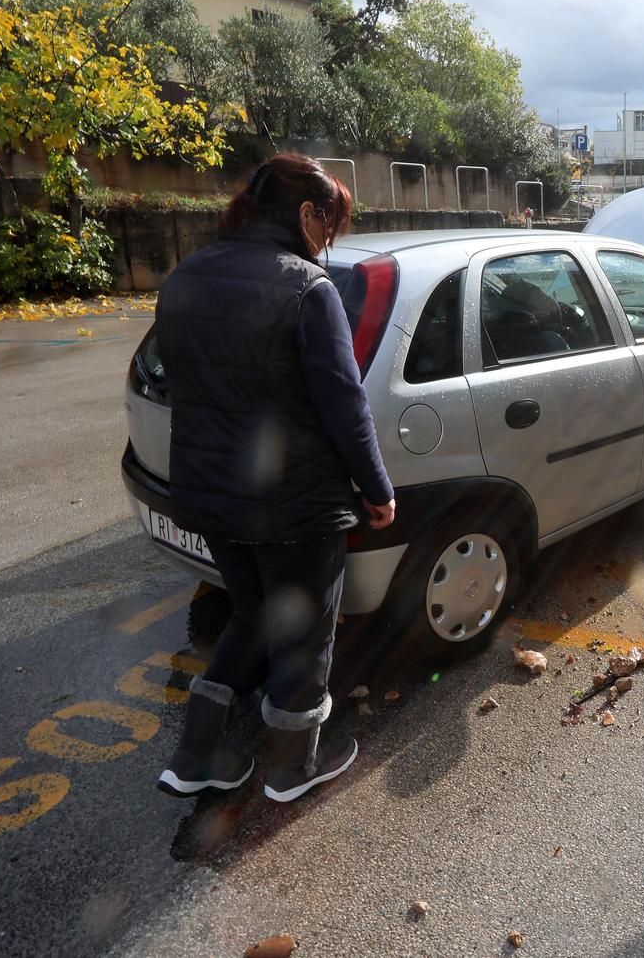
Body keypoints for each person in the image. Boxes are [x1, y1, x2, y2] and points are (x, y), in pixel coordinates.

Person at [153, 153, 396, 803]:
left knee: (253, 616)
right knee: (305, 634)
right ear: (306, 213)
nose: (328, 241)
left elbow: (186, 387)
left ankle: (196, 755)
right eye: (329, 225)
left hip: (212, 493)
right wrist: (377, 490)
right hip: (294, 501)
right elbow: (344, 403)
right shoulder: (307, 288)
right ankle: (292, 768)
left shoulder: (185, 276)